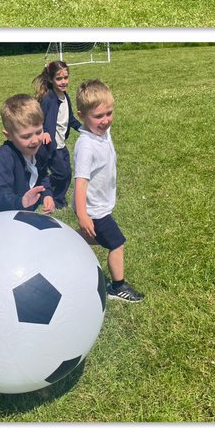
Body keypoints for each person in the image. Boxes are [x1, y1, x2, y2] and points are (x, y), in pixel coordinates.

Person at [74, 79, 143, 301]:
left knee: (96, 237)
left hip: (101, 205)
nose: (105, 121)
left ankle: (67, 239)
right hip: (95, 209)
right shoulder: (86, 146)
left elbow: (104, 120)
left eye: (109, 113)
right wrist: (83, 214)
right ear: (82, 115)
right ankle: (117, 287)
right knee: (116, 244)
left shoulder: (102, 131)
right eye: (98, 117)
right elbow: (80, 182)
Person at [0, 94, 56, 214]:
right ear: (8, 135)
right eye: (26, 136)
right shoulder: (5, 156)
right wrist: (21, 202)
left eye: (39, 131)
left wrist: (47, 194)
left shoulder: (38, 149)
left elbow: (43, 175)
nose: (35, 140)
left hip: (20, 213)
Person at [33, 59, 82, 209]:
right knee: (62, 174)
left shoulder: (65, 97)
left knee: (66, 174)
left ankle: (52, 195)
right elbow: (38, 119)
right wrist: (44, 132)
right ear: (51, 79)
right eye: (59, 78)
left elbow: (71, 119)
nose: (63, 82)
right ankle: (50, 194)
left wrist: (83, 128)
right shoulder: (48, 99)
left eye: (65, 78)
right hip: (50, 145)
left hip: (61, 143)